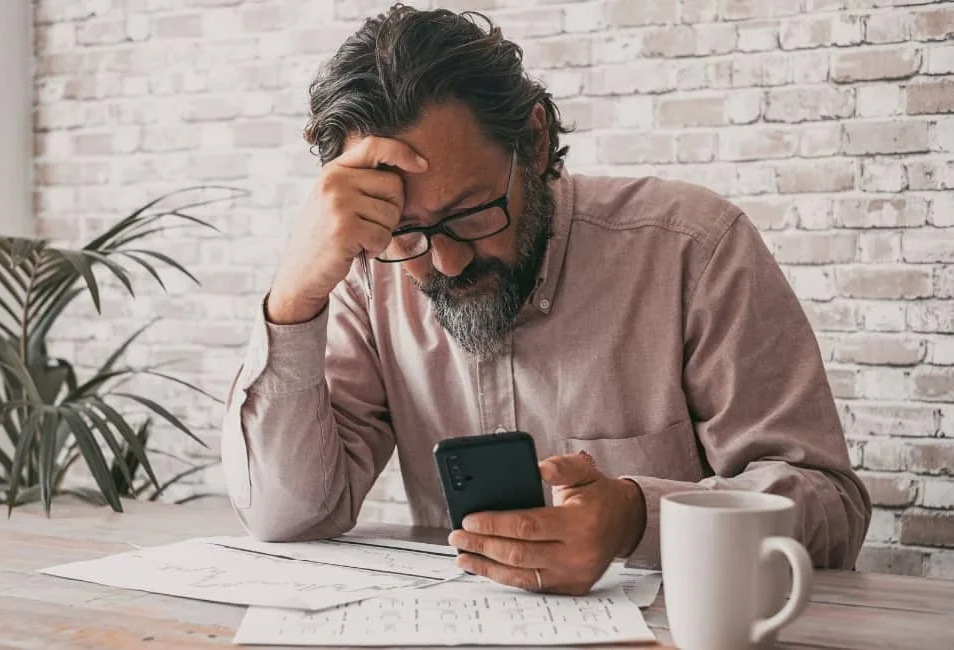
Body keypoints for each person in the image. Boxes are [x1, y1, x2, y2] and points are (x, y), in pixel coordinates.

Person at [220, 4, 871, 595]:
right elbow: (288, 514)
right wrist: (295, 297)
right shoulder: (373, 275)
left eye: (472, 214)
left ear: (532, 143)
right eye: (407, 232)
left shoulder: (692, 248)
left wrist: (638, 518)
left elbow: (832, 512)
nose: (444, 262)